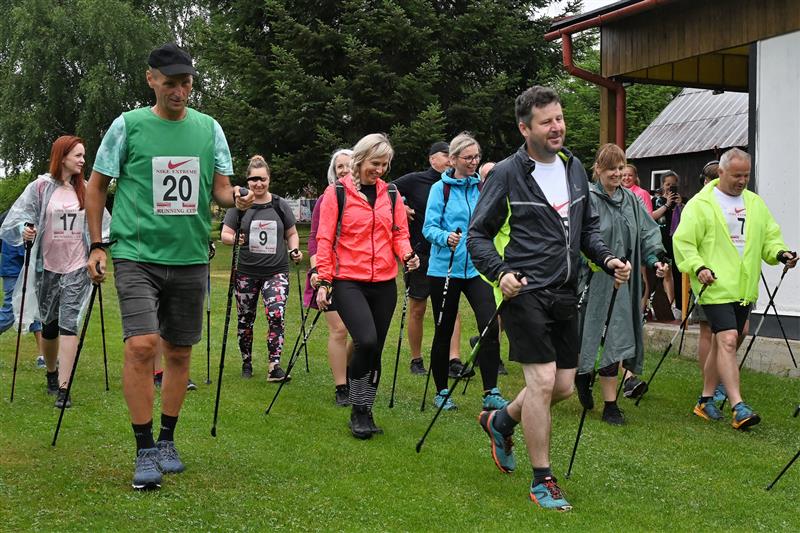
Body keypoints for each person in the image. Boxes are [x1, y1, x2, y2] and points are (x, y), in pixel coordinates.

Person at [85, 42, 253, 490]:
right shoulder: (127, 126)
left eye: (186, 83)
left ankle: (167, 440)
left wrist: (235, 198)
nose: (180, 91)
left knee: (179, 351)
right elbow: (96, 187)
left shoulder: (209, 129)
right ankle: (143, 448)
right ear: (151, 80)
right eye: (171, 83)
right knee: (142, 345)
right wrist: (98, 244)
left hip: (191, 255)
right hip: (136, 253)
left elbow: (220, 188)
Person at [468, 86, 630, 511]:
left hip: (565, 291)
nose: (557, 127)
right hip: (524, 291)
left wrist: (607, 259)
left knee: (561, 387)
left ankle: (500, 422)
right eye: (547, 121)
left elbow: (588, 229)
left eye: (559, 118)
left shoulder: (574, 167)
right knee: (539, 383)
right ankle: (543, 480)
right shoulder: (506, 173)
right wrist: (500, 273)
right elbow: (477, 235)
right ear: (525, 129)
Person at [673, 147, 796, 429]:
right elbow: (684, 242)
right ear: (721, 172)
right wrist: (698, 266)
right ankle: (738, 406)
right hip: (714, 284)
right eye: (737, 175)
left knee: (731, 338)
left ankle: (705, 399)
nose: (742, 181)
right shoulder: (701, 204)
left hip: (743, 287)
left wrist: (780, 254)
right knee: (727, 338)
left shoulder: (754, 203)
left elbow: (768, 238)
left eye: (747, 175)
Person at [315, 133, 419, 439]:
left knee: (375, 352)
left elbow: (399, 233)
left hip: (385, 282)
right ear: (360, 160)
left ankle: (364, 410)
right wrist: (323, 278)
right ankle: (357, 408)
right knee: (367, 341)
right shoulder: (337, 193)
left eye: (385, 164)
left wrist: (408, 255)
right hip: (349, 280)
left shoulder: (392, 194)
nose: (380, 170)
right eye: (376, 163)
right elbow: (324, 239)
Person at [0, 136, 108, 407]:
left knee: (68, 324)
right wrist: (25, 229)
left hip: (76, 267)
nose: (83, 160)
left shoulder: (86, 189)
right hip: (46, 267)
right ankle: (51, 372)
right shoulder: (40, 188)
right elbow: (16, 220)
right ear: (61, 157)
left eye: (84, 155)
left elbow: (105, 225)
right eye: (78, 155)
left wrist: (99, 247)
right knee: (49, 327)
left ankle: (64, 387)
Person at [574, 144, 668, 425]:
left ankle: (610, 404)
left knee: (615, 338)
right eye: (611, 169)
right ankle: (583, 374)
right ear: (598, 169)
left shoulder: (631, 201)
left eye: (620, 168)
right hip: (593, 279)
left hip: (622, 281)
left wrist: (657, 258)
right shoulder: (586, 198)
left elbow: (647, 234)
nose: (617, 173)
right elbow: (577, 239)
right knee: (589, 335)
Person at [422, 132, 506, 411]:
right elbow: (428, 227)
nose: (473, 162)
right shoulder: (440, 189)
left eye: (476, 157)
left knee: (490, 325)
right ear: (454, 159)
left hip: (476, 270)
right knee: (444, 329)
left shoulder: (481, 188)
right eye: (468, 158)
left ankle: (490, 391)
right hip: (444, 269)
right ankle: (441, 391)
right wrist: (445, 237)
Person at [221, 155, 301, 383]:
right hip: (246, 272)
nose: (258, 184)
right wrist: (237, 238)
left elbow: (292, 233)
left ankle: (274, 365)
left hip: (276, 270)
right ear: (247, 181)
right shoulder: (240, 205)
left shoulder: (279, 204)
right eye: (253, 179)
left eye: (262, 179)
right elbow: (225, 234)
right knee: (245, 319)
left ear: (269, 179)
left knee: (276, 315)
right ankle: (246, 360)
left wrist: (294, 249)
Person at [392, 142, 465, 378]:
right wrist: (400, 206)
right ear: (432, 159)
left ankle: (454, 359)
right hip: (420, 253)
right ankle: (416, 359)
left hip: (448, 254)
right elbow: (385, 190)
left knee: (451, 307)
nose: (450, 159)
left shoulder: (457, 182)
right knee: (418, 307)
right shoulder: (416, 180)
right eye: (446, 155)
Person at [305, 148, 353, 406]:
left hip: (356, 272)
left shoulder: (364, 197)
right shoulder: (327, 198)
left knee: (360, 333)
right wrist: (317, 272)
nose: (344, 171)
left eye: (349, 165)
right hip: (328, 271)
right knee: (339, 328)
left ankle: (347, 371)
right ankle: (341, 387)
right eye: (339, 167)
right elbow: (314, 238)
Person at [0, 240, 44, 369]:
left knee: (35, 310)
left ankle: (43, 356)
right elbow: (25, 248)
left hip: (24, 268)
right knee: (10, 312)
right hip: (15, 270)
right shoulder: (17, 221)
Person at [652, 171, 683, 318]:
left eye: (673, 185)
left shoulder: (683, 201)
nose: (670, 188)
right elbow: (651, 217)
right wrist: (667, 204)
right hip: (660, 240)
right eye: (667, 184)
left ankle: (677, 306)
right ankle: (658, 306)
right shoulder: (656, 201)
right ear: (662, 185)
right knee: (661, 272)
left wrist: (680, 205)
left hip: (677, 241)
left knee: (677, 274)